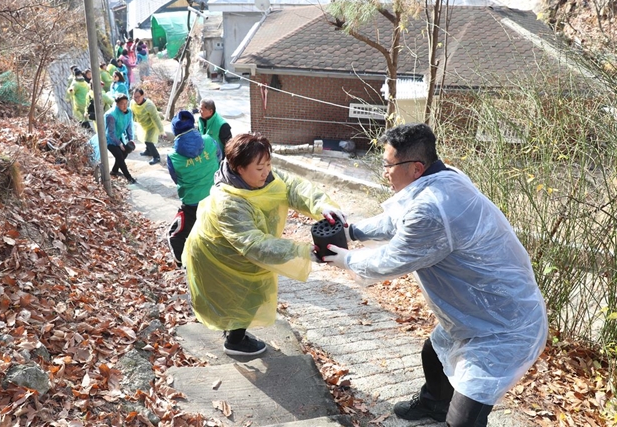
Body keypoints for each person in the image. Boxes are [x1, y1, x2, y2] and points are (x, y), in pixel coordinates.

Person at [322, 123, 548, 427]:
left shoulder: (432, 208)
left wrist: (347, 260)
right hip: (476, 312)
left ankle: (448, 413)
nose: (385, 171)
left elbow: (392, 259)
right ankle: (432, 405)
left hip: (504, 327)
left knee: (463, 421)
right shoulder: (443, 177)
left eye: (388, 165)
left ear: (415, 167)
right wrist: (352, 232)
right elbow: (395, 219)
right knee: (435, 351)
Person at [183, 133, 346, 356]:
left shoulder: (265, 176)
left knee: (252, 291)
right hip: (217, 255)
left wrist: (321, 205)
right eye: (259, 168)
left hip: (242, 251)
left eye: (268, 164)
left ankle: (235, 333)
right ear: (239, 168)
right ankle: (234, 341)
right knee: (240, 295)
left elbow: (291, 187)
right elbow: (255, 245)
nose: (266, 172)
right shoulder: (228, 202)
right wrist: (303, 251)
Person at [166, 110, 221, 267]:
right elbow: (219, 160)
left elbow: (176, 178)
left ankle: (186, 265)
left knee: (175, 236)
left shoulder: (173, 156)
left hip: (192, 205)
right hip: (215, 199)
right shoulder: (209, 141)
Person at [104, 93, 137, 184]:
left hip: (119, 136)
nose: (125, 105)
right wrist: (120, 144)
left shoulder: (129, 112)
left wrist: (131, 139)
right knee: (119, 156)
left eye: (126, 103)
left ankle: (114, 171)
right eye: (122, 103)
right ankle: (129, 177)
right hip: (109, 139)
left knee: (124, 154)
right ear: (117, 104)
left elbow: (129, 126)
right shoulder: (111, 115)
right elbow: (110, 133)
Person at [130, 88, 164, 165]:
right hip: (143, 124)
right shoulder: (132, 103)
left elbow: (156, 118)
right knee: (144, 138)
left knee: (148, 140)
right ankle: (148, 151)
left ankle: (156, 156)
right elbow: (131, 113)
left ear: (143, 95)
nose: (136, 99)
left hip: (152, 125)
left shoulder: (149, 105)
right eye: (134, 97)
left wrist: (162, 131)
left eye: (138, 96)